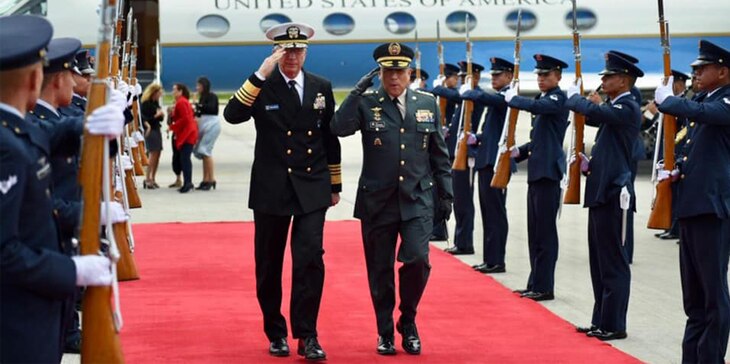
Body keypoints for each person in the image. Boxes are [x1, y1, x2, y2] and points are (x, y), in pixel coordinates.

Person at [0, 14, 123, 362]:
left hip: (35, 308)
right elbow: (3, 250)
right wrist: (72, 271)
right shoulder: (5, 146)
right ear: (35, 77)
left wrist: (94, 124)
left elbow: (51, 134)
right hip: (16, 320)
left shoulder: (16, 126)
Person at [223, 22, 341, 361]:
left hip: (312, 186)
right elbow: (232, 115)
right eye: (285, 50)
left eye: (298, 50)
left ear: (306, 52)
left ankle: (308, 335)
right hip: (272, 187)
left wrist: (335, 185)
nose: (292, 56)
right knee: (269, 263)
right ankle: (275, 332)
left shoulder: (321, 86)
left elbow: (328, 138)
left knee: (309, 259)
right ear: (276, 52)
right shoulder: (263, 85)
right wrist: (260, 74)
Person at [331, 42, 452, 355]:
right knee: (380, 271)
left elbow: (439, 154)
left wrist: (446, 196)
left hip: (417, 199)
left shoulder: (427, 102)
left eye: (399, 71)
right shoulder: (366, 102)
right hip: (378, 201)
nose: (393, 77)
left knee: (417, 260)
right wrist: (356, 91)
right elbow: (338, 128)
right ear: (380, 73)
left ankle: (407, 319)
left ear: (409, 73)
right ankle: (385, 331)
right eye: (387, 71)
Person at [654, 40, 730, 363]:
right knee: (694, 298)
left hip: (712, 208)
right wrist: (676, 170)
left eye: (703, 68)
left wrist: (670, 101)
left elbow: (702, 112)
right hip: (691, 204)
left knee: (714, 297)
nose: (696, 73)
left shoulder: (724, 103)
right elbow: (698, 152)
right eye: (696, 68)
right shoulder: (704, 102)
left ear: (724, 72)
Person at [566, 51, 644, 341]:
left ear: (623, 80)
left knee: (613, 263)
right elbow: (594, 120)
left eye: (608, 76)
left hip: (614, 193)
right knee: (599, 261)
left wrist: (574, 97)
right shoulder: (616, 107)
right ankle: (601, 319)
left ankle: (614, 323)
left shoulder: (628, 106)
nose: (603, 80)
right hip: (601, 190)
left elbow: (594, 113)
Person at [460, 56, 514, 273]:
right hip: (487, 159)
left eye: (498, 75)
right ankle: (490, 258)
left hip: (496, 162)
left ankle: (497, 260)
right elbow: (494, 129)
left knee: (496, 214)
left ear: (510, 76)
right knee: (488, 213)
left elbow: (484, 98)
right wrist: (479, 137)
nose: (494, 78)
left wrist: (469, 90)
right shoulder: (501, 97)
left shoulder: (507, 97)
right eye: (492, 75)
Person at [443, 60, 485, 256]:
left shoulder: (474, 96)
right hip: (456, 152)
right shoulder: (466, 96)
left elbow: (449, 93)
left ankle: (465, 242)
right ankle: (461, 240)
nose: (461, 81)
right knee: (459, 199)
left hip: (467, 154)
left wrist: (441, 87)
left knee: (464, 200)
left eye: (465, 77)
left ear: (475, 78)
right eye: (460, 78)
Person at [428, 62, 460, 241]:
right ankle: (438, 229)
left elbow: (454, 96)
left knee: (445, 191)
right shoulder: (442, 95)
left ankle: (440, 229)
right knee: (436, 191)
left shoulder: (455, 95)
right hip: (440, 148)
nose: (456, 80)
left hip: (451, 150)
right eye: (453, 77)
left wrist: (439, 89)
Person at [168, 82, 198, 193]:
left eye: (175, 90)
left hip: (187, 134)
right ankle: (187, 182)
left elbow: (185, 119)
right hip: (187, 133)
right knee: (184, 159)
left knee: (185, 159)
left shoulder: (181, 102)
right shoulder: (181, 102)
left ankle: (188, 183)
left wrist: (172, 127)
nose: (173, 92)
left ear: (180, 91)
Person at [193, 76, 221, 190]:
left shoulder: (212, 96)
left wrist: (197, 105)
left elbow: (212, 109)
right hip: (205, 126)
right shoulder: (202, 98)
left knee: (205, 151)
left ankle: (211, 179)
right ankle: (205, 179)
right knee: (203, 152)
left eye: (199, 86)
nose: (197, 88)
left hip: (212, 125)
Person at [141, 82, 165, 189]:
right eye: (159, 93)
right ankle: (148, 178)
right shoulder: (146, 104)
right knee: (152, 154)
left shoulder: (155, 103)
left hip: (156, 128)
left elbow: (160, 119)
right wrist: (156, 116)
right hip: (151, 130)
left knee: (157, 154)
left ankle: (153, 177)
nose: (160, 95)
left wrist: (160, 116)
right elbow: (145, 118)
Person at [59, 49, 94, 117]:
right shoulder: (68, 105)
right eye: (84, 76)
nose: (89, 79)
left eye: (90, 75)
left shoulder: (82, 101)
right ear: (72, 76)